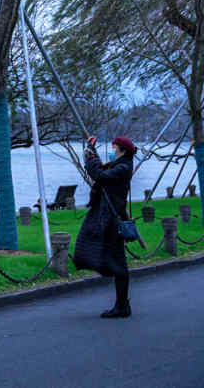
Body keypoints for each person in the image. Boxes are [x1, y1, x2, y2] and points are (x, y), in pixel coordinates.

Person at [72, 134, 137, 318]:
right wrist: (91, 151)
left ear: (122, 151)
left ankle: (122, 306)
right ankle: (122, 305)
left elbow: (100, 175)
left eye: (115, 148)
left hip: (112, 221)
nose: (112, 151)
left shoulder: (123, 168)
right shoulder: (120, 165)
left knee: (119, 264)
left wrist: (89, 156)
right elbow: (102, 169)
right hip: (107, 218)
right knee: (114, 261)